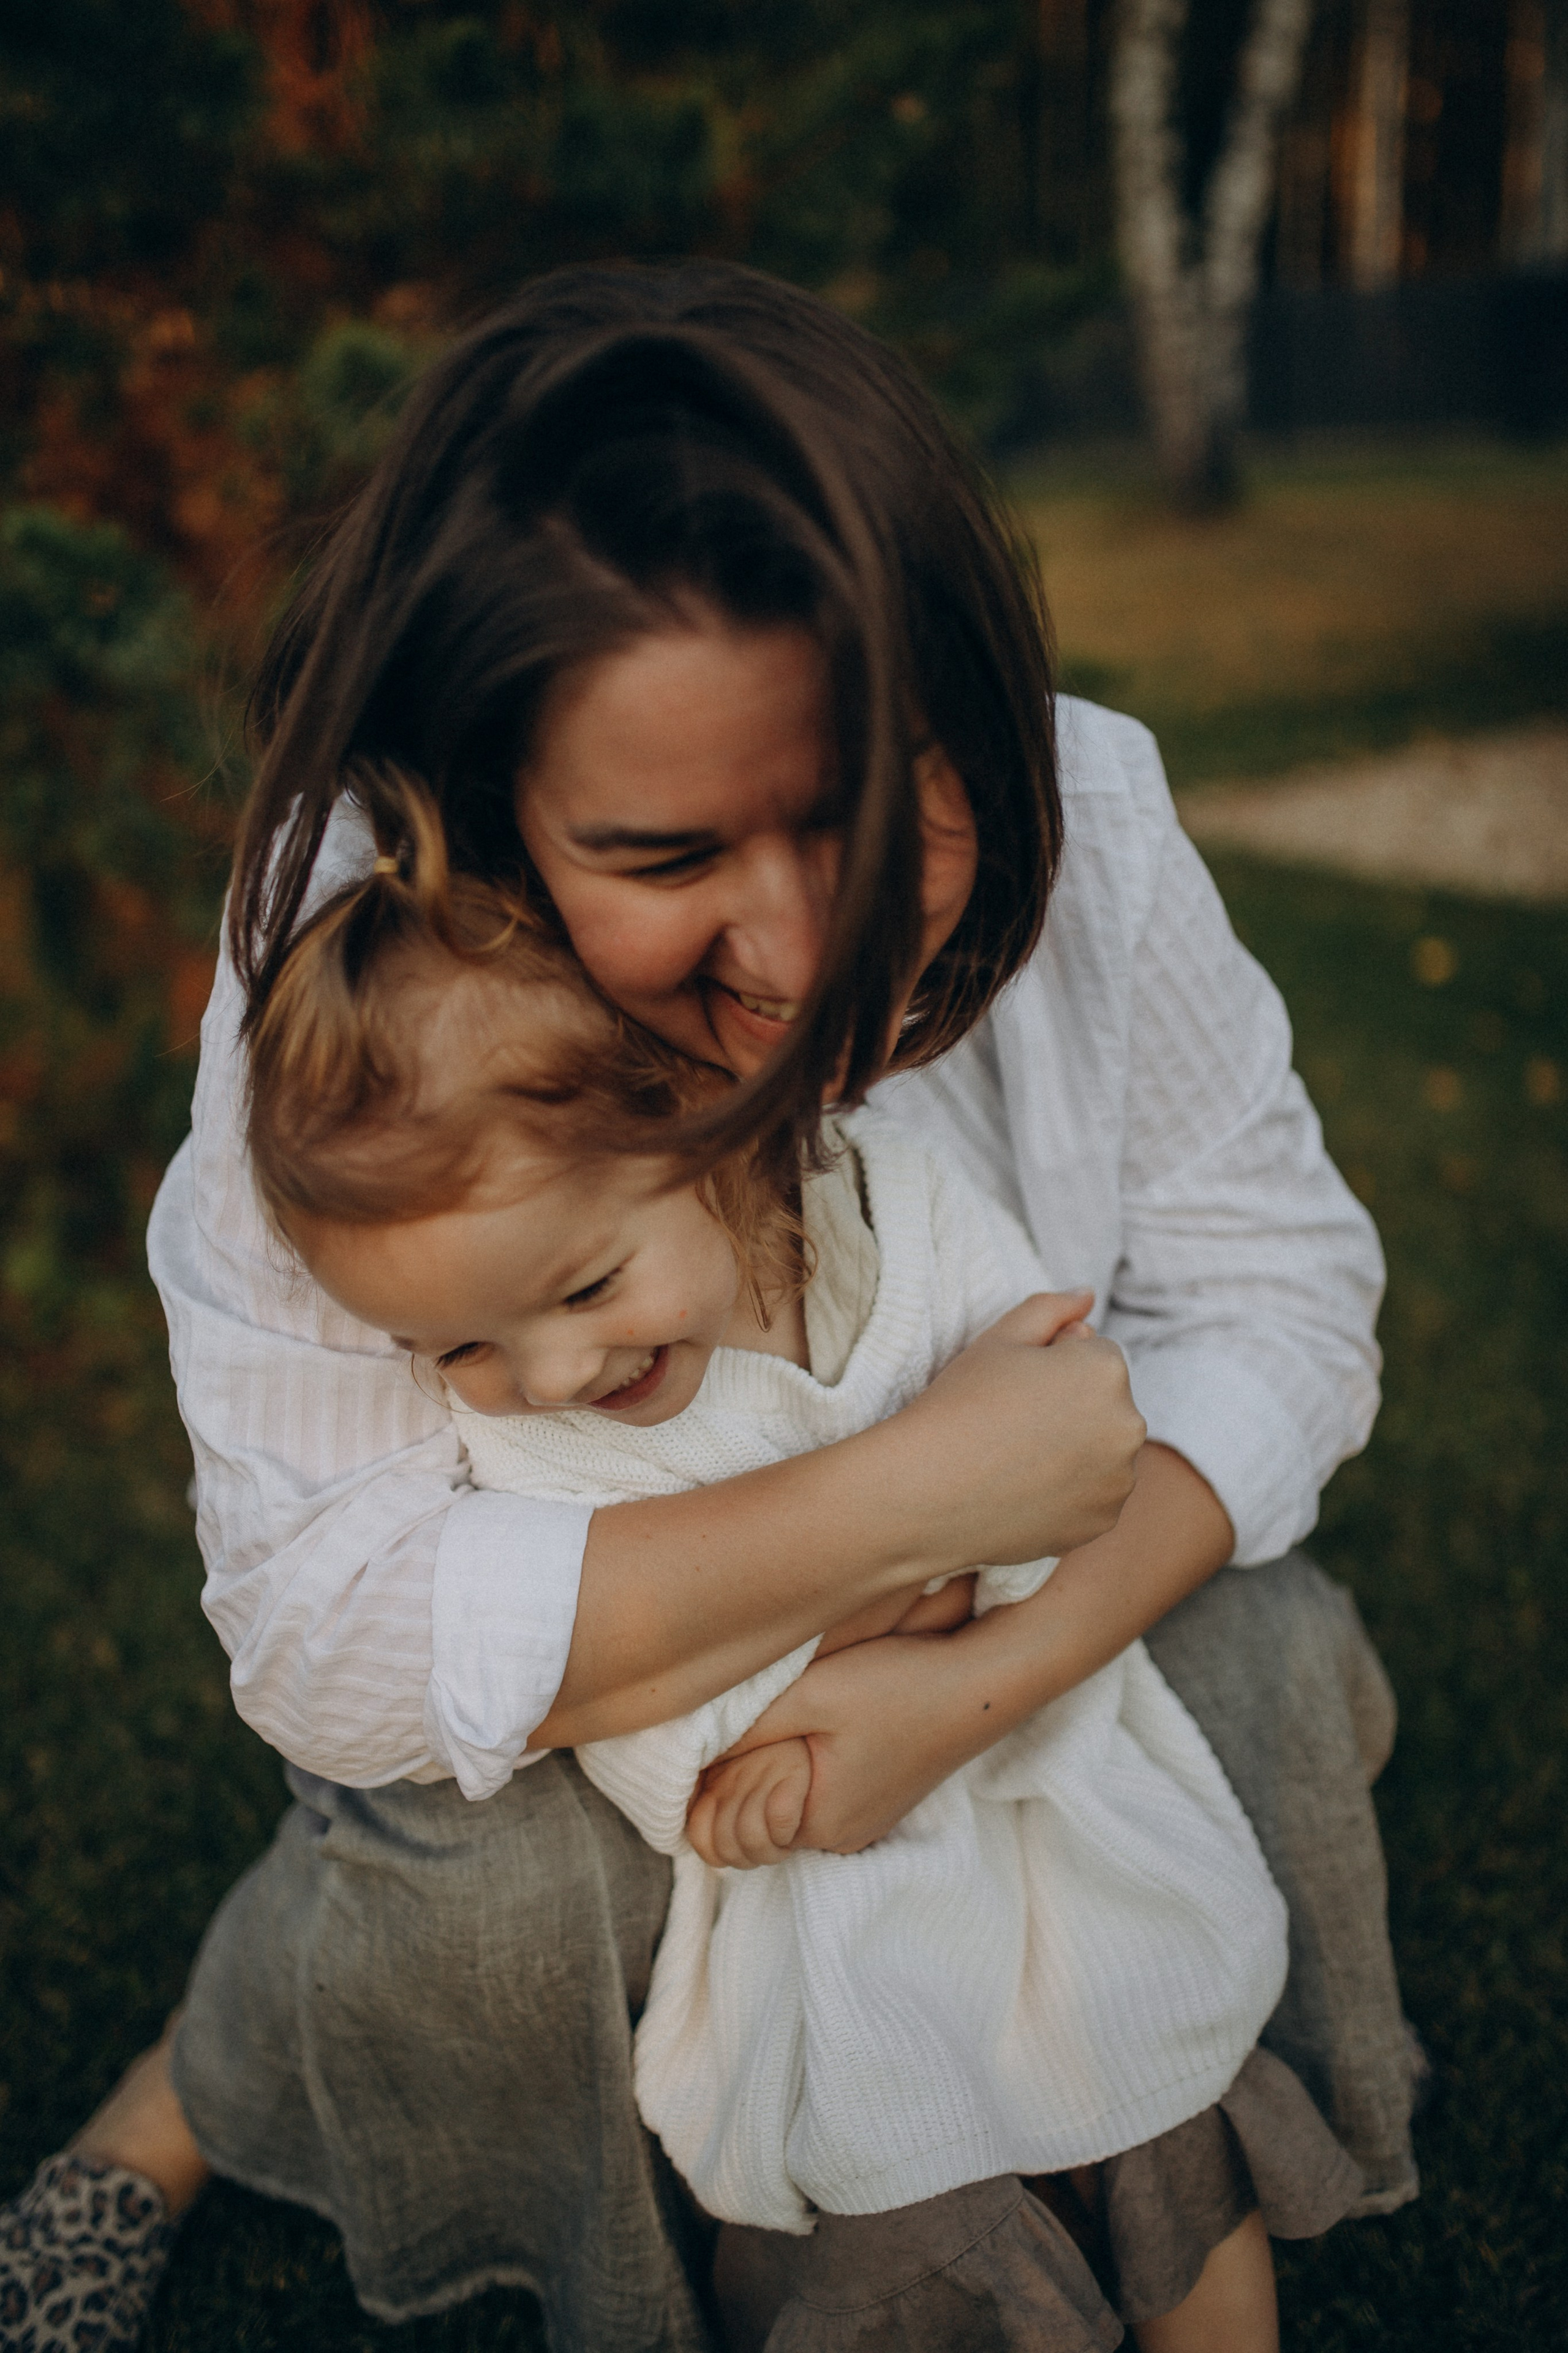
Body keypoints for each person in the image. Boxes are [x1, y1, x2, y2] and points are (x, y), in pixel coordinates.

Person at [0, 260, 1412, 2353]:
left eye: (857, 805)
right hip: (621, 1697)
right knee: (501, 1905)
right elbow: (325, 1624)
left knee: (1268, 1661)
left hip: (1002, 1610)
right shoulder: (371, 1002)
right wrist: (909, 1502)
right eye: (665, 852)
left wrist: (984, 1668)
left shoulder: (1086, 815)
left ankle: (1125, 2101)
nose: (801, 945)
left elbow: (1287, 1293)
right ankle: (188, 2098)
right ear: (484, 826)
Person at [231, 828, 1365, 2351]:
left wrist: (939, 1592)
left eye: (582, 1288)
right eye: (461, 1347)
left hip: (1054, 1796)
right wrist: (871, 1603)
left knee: (1168, 2099)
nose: (553, 1372)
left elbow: (1054, 1442)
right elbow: (644, 1740)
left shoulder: (896, 1216)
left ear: (707, 1122)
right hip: (831, 1904)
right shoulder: (538, 1448)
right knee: (899, 2195)